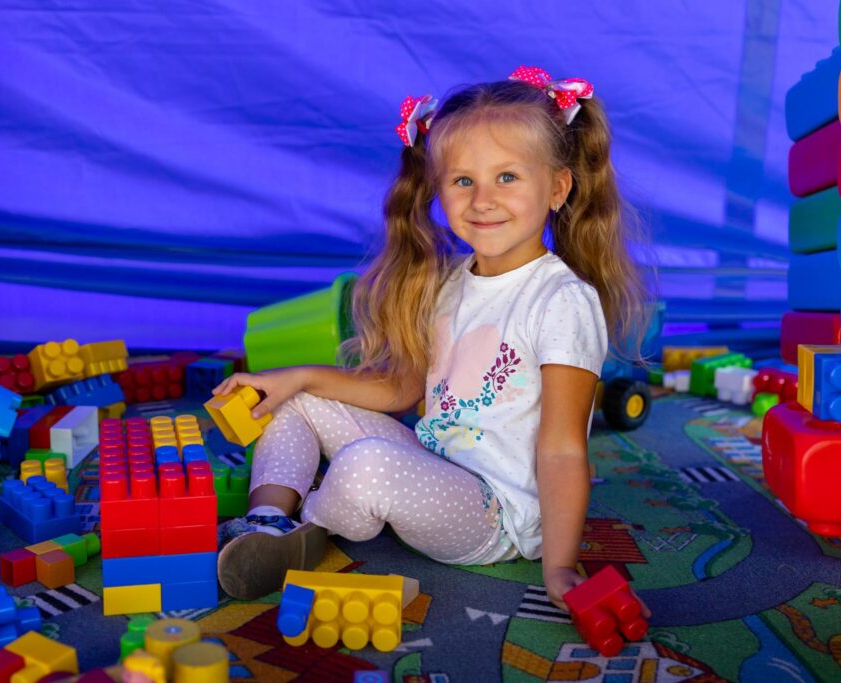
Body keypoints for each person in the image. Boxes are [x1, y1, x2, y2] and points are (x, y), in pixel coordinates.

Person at [213, 65, 650, 613]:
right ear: (438, 188)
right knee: (295, 400)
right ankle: (267, 523)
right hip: (434, 463)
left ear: (557, 188)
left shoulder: (561, 300)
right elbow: (401, 389)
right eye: (463, 181)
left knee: (368, 465)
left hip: (497, 515)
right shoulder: (450, 283)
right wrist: (296, 377)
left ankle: (313, 526)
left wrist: (560, 566)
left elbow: (563, 448)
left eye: (507, 177)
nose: (483, 199)